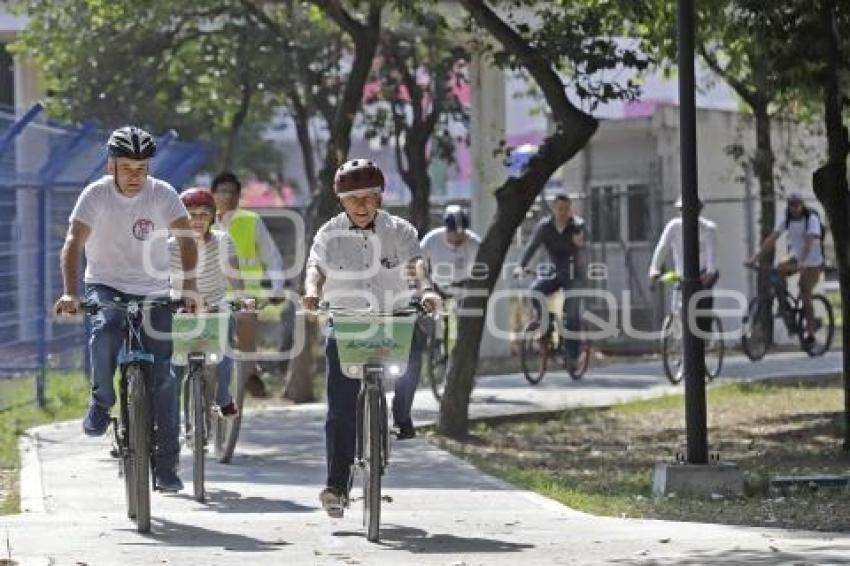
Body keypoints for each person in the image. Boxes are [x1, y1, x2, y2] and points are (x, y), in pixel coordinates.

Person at [53, 126, 199, 492]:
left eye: (142, 168)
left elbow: (185, 239)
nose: (135, 177)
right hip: (105, 284)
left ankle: (166, 466)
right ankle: (102, 402)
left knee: (164, 377)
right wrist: (71, 293)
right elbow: (73, 244)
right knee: (105, 329)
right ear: (111, 166)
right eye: (127, 168)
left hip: (153, 289)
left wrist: (191, 288)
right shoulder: (96, 195)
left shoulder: (162, 194)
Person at [302, 158, 439, 518]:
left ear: (380, 197)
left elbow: (417, 267)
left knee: (411, 361)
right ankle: (336, 485)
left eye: (369, 197)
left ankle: (400, 416)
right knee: (341, 406)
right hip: (346, 320)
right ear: (341, 200)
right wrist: (312, 292)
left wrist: (426, 292)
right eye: (352, 198)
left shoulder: (400, 230)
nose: (361, 205)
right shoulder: (328, 233)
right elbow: (315, 269)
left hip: (393, 316)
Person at [169, 187, 248, 417]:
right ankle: (169, 411)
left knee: (225, 348)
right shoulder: (169, 246)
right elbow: (159, 281)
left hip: (215, 305)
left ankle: (223, 397)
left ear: (212, 217)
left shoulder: (223, 241)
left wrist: (242, 298)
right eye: (191, 215)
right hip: (180, 308)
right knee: (172, 364)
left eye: (204, 214)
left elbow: (234, 274)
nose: (197, 220)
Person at [210, 171, 286, 397]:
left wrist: (277, 287)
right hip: (211, 293)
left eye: (233, 192)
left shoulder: (251, 221)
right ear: (213, 195)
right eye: (222, 191)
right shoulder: (203, 222)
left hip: (246, 294)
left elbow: (272, 257)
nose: (228, 196)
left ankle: (250, 370)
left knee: (246, 319)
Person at [513, 193, 586, 365]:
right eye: (560, 209)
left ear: (570, 210)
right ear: (554, 209)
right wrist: (520, 266)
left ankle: (572, 356)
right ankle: (547, 323)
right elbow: (532, 246)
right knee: (535, 291)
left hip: (573, 274)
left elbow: (583, 240)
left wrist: (580, 242)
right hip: (554, 271)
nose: (563, 212)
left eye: (566, 209)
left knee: (572, 315)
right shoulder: (545, 227)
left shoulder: (577, 225)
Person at [746, 192, 824, 345]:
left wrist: (802, 262)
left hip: (813, 263)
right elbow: (771, 239)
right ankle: (785, 307)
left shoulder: (811, 219)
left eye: (797, 205)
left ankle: (810, 331)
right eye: (791, 205)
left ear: (802, 205)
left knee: (805, 292)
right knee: (778, 270)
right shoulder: (786, 219)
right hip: (795, 257)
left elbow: (809, 243)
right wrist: (755, 258)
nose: (794, 208)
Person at [648, 196, 719, 335]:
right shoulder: (674, 226)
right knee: (678, 308)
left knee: (702, 306)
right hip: (682, 274)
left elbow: (712, 255)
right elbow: (662, 248)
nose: (684, 213)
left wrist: (710, 273)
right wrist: (654, 269)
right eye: (681, 210)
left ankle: (705, 334)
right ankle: (680, 336)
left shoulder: (708, 229)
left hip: (702, 274)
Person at [420, 204, 481, 294]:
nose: (457, 240)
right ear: (447, 230)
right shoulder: (431, 239)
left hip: (465, 289)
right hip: (437, 288)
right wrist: (426, 286)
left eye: (461, 236)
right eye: (454, 235)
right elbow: (418, 263)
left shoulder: (474, 243)